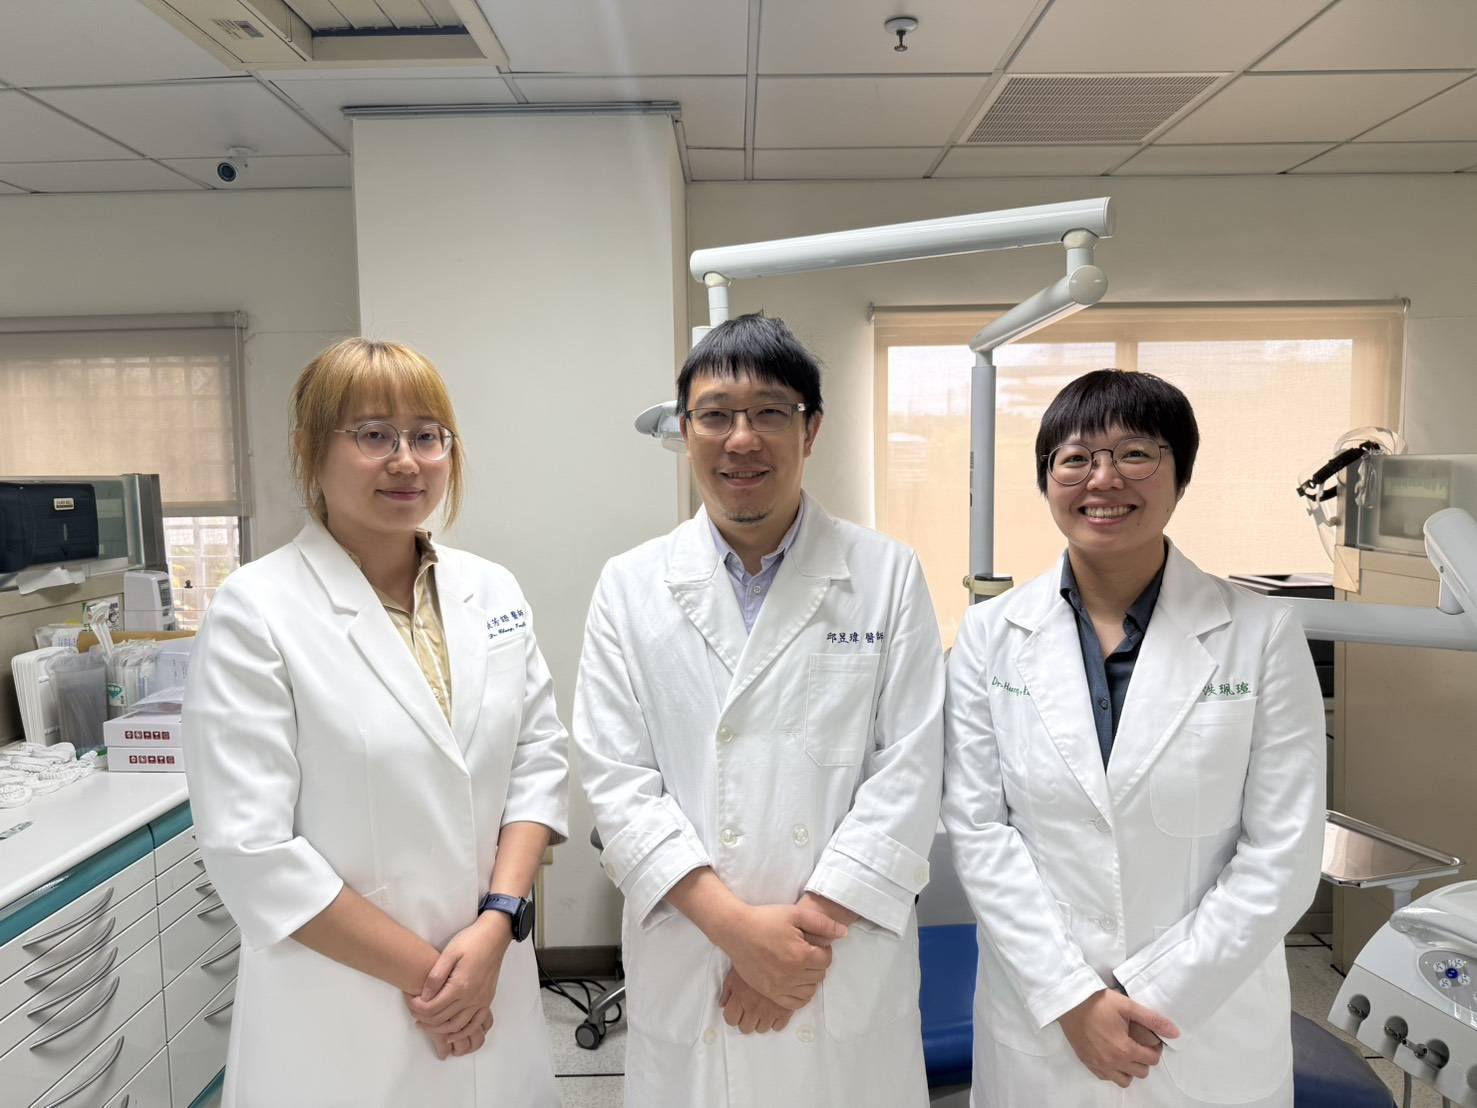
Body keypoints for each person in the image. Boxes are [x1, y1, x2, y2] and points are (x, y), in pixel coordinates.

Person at [182, 339, 567, 1107]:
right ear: (307, 451)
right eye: (372, 435)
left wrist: (496, 925)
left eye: (427, 435)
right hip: (345, 1011)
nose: (406, 460)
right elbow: (252, 851)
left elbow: (537, 761)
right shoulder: (257, 610)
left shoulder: (491, 591)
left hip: (490, 970)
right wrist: (442, 983)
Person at [573, 313, 944, 1107]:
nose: (741, 439)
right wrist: (739, 934)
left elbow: (910, 774)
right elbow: (616, 782)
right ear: (685, 432)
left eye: (770, 412)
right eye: (715, 415)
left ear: (811, 430)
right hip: (696, 950)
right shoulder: (629, 586)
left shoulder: (886, 576)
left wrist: (794, 948)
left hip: (836, 957)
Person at [943, 369, 1325, 1107]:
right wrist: (1072, 998)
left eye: (1136, 454)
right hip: (1045, 1014)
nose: (1103, 480)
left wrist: (1155, 994)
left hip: (1199, 1024)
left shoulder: (1261, 634)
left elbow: (1282, 853)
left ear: (1180, 475)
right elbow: (979, 831)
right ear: (1047, 480)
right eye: (1075, 459)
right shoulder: (991, 636)